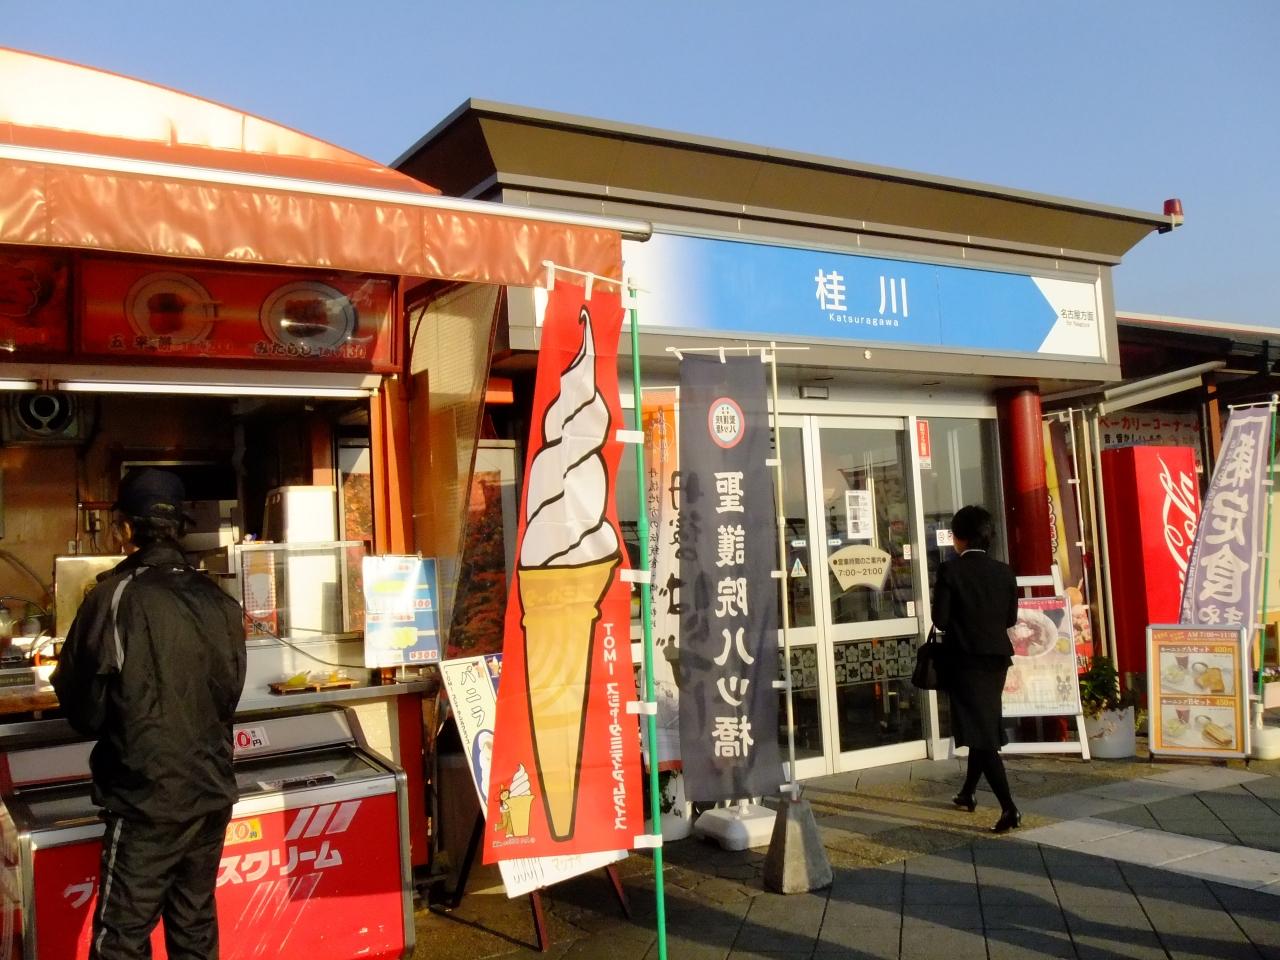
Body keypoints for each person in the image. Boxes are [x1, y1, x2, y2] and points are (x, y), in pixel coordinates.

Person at [52, 468, 247, 959]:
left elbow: (82, 708)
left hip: (146, 798)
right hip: (211, 791)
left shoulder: (114, 596)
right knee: (195, 927)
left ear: (124, 529)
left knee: (121, 938)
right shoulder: (219, 599)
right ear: (178, 528)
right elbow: (230, 694)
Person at [931, 504, 1021, 833]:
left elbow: (940, 620)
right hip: (996, 660)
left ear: (959, 537)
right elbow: (1010, 618)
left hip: (965, 660)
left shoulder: (950, 571)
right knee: (980, 726)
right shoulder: (1004, 571)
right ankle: (967, 792)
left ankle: (1009, 808)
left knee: (982, 735)